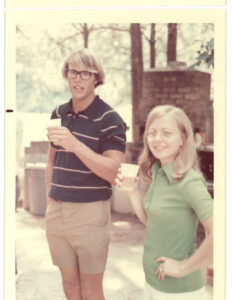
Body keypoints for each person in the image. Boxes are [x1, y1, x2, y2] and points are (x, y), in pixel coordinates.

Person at [45, 49, 126, 300]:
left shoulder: (111, 119)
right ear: (66, 76)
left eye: (85, 73)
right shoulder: (58, 113)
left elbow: (115, 172)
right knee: (69, 286)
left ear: (96, 78)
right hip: (57, 211)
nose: (77, 79)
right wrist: (50, 200)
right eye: (73, 72)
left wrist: (75, 144)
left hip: (90, 214)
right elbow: (52, 161)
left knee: (91, 291)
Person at [116, 105, 213, 300]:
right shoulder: (160, 172)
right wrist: (133, 193)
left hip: (178, 291)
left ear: (183, 139)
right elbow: (153, 223)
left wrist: (183, 269)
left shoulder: (189, 181)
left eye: (166, 133)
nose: (157, 139)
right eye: (152, 133)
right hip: (153, 282)